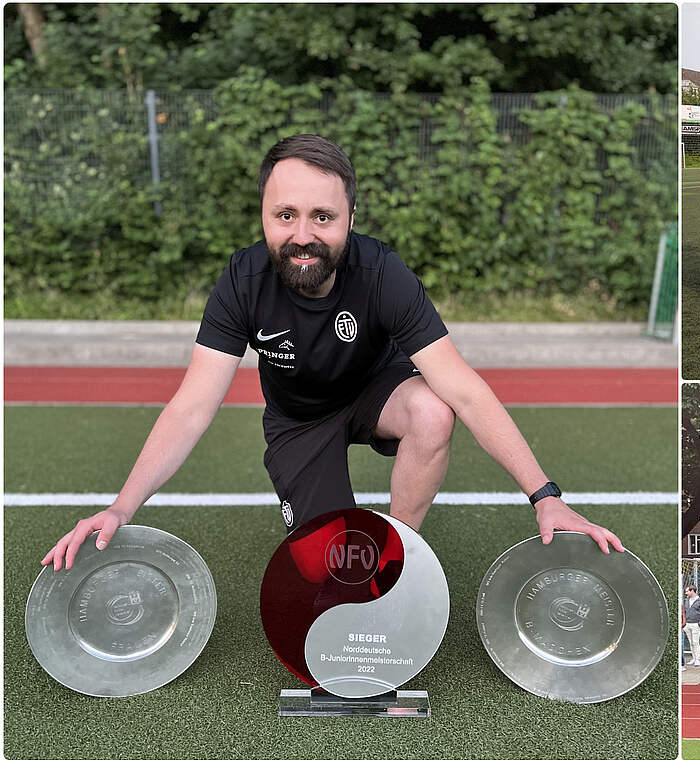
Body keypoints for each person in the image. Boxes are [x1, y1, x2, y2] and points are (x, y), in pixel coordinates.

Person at [41, 134, 620, 577]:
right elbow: (192, 405)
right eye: (285, 215)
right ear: (264, 215)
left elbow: (464, 388)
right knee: (335, 568)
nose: (302, 235)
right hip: (298, 422)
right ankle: (354, 558)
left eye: (322, 216)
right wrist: (120, 508)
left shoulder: (382, 272)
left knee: (433, 409)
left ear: (350, 220)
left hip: (377, 393)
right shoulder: (242, 280)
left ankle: (400, 554)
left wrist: (546, 497)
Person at [682, 586, 700, 668]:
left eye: (687, 591)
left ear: (692, 591)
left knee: (695, 642)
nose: (686, 593)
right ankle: (693, 658)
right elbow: (684, 611)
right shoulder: (687, 600)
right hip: (687, 624)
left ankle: (697, 659)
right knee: (691, 642)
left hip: (696, 624)